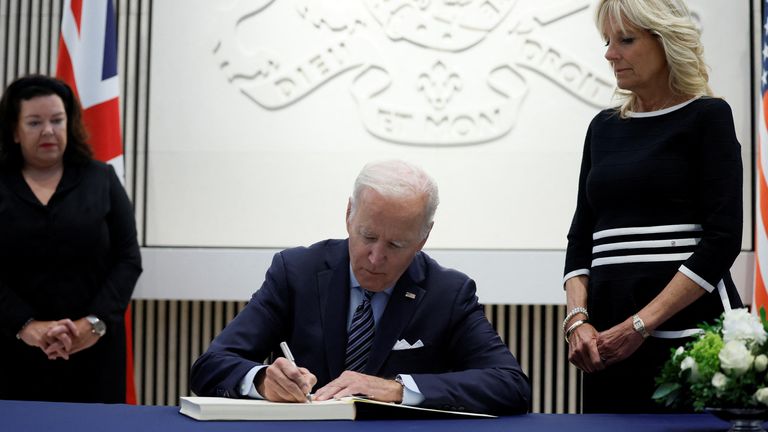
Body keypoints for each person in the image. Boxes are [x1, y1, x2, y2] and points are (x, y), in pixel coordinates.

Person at [190, 160, 531, 415]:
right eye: (368, 236)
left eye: (396, 245)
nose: (376, 257)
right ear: (349, 214)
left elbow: (510, 385)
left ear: (423, 238)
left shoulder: (448, 292)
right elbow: (211, 365)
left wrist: (397, 389)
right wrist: (262, 379)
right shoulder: (296, 272)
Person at [562, 0, 743, 413]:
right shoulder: (602, 128)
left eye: (625, 40)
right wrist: (578, 321)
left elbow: (722, 239)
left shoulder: (708, 118)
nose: (610, 53)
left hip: (687, 337)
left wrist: (640, 325)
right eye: (608, 40)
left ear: (666, 43)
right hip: (605, 342)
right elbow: (581, 235)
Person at [0, 75, 142, 403]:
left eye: (57, 120)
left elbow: (127, 257)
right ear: (14, 131)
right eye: (34, 122)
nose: (48, 131)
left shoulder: (102, 179)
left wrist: (91, 324)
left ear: (70, 123)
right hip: (12, 350)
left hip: (94, 349)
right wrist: (26, 326)